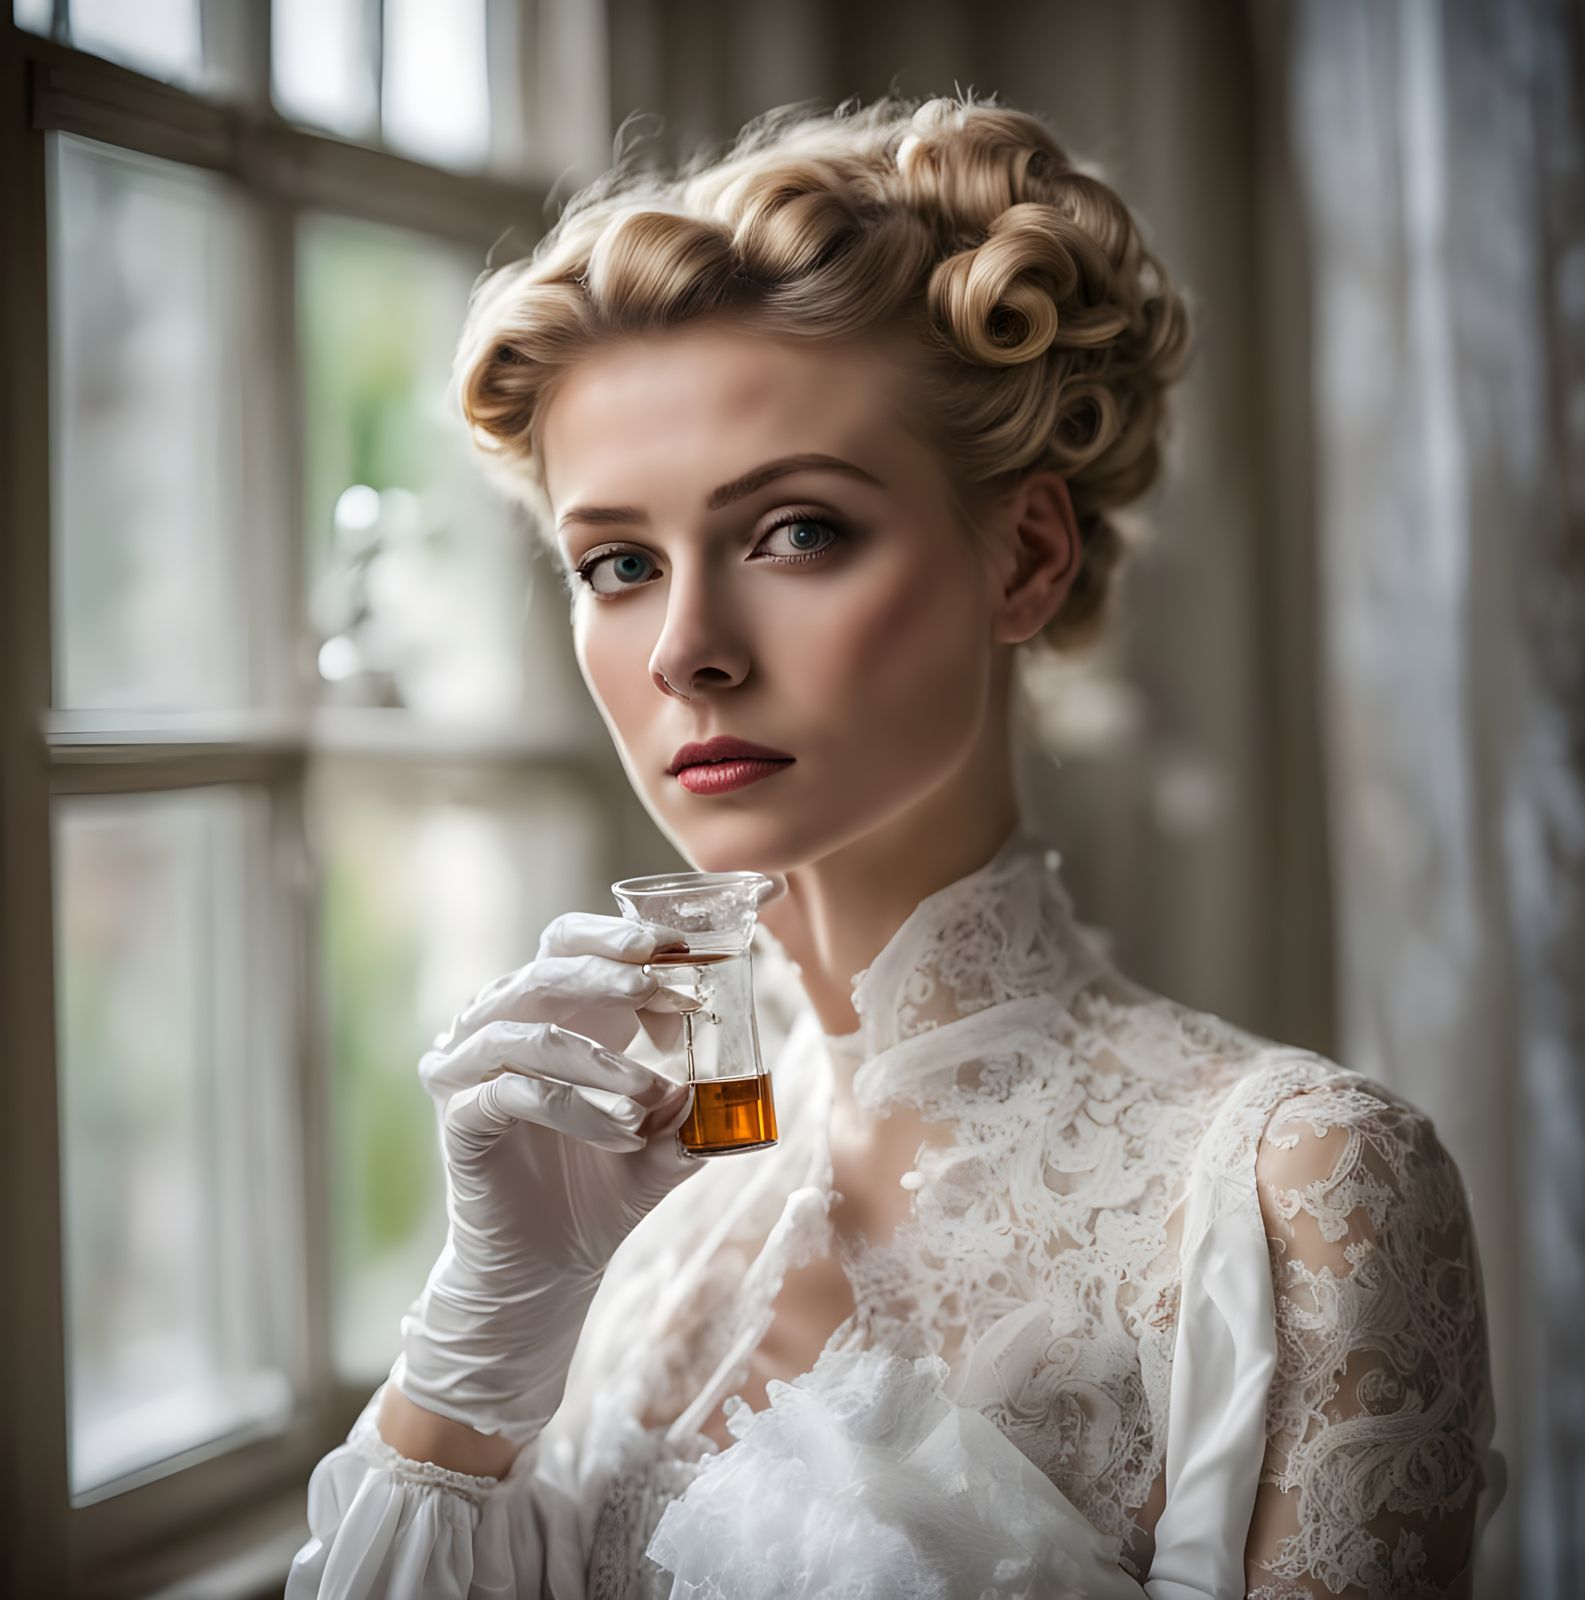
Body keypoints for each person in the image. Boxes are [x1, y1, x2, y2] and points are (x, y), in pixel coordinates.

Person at [286, 89, 1506, 1598]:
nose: (686, 650)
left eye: (796, 530)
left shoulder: (1295, 1189)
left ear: (1027, 554)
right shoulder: (609, 1216)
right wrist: (482, 1332)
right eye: (616, 561)